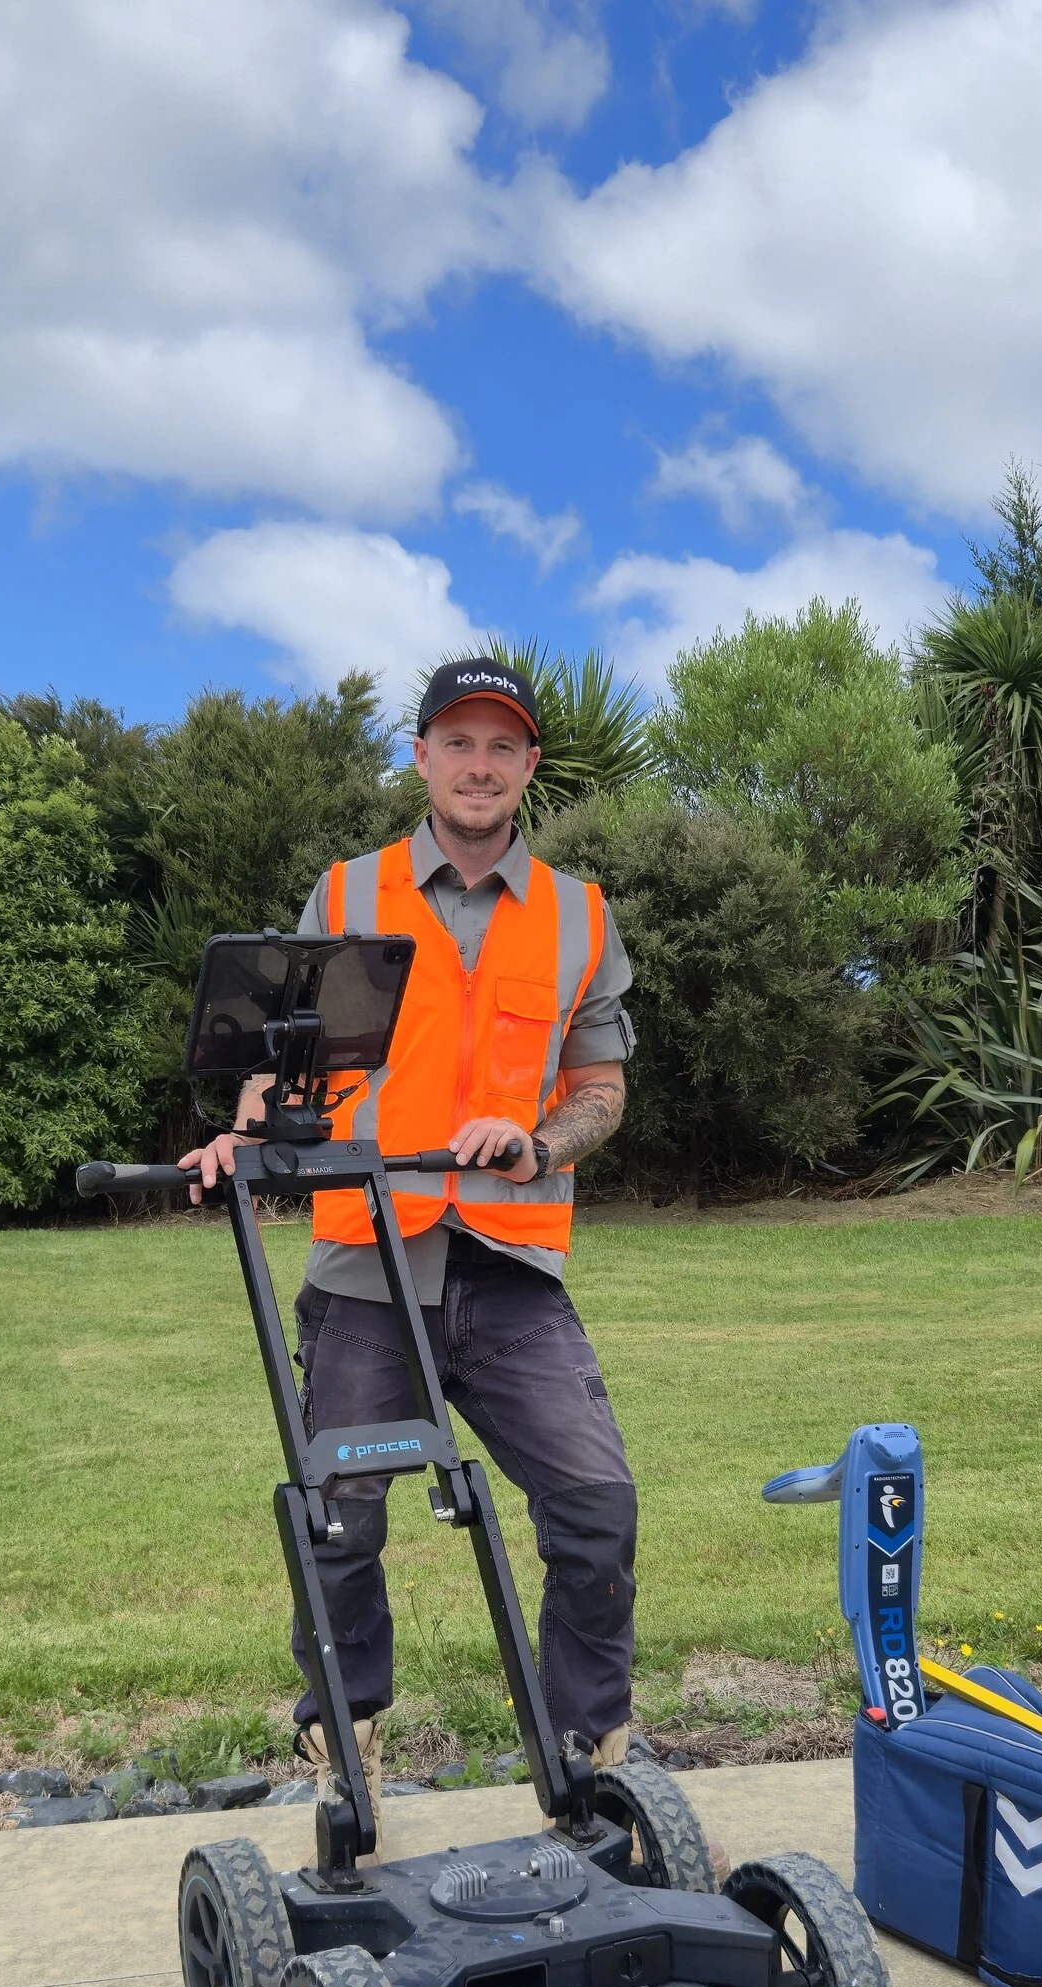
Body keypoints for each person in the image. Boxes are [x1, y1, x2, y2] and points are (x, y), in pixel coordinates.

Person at [181, 657, 638, 1840]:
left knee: (595, 1505)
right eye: (458, 742)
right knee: (340, 1518)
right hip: (365, 1261)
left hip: (507, 1266)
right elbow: (285, 1064)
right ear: (422, 755)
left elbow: (599, 1088)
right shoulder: (346, 893)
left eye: (502, 746)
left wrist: (538, 1141)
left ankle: (589, 1761)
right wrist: (239, 1139)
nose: (479, 765)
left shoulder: (579, 915)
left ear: (530, 765)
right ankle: (348, 1757)